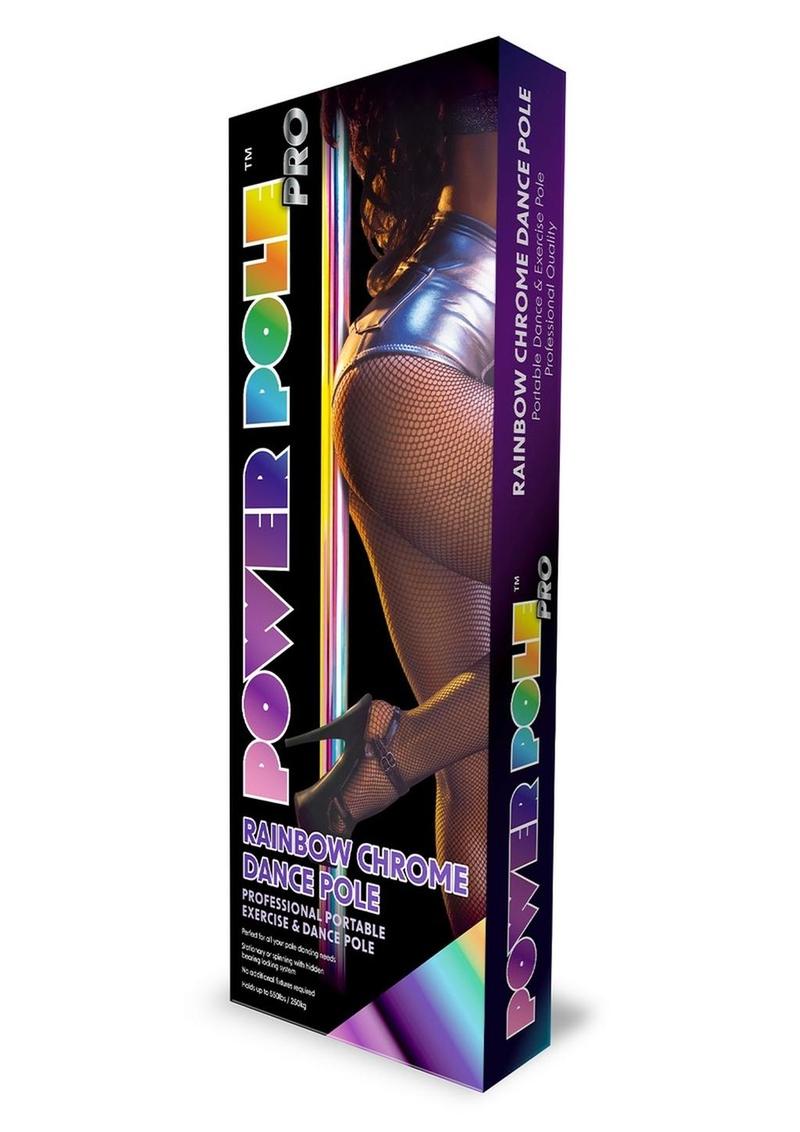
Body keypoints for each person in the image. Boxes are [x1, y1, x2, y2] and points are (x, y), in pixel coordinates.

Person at [286, 65, 498, 935]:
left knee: (478, 767)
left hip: (389, 367)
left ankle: (484, 989)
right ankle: (394, 748)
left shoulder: (467, 88)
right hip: (429, 384)